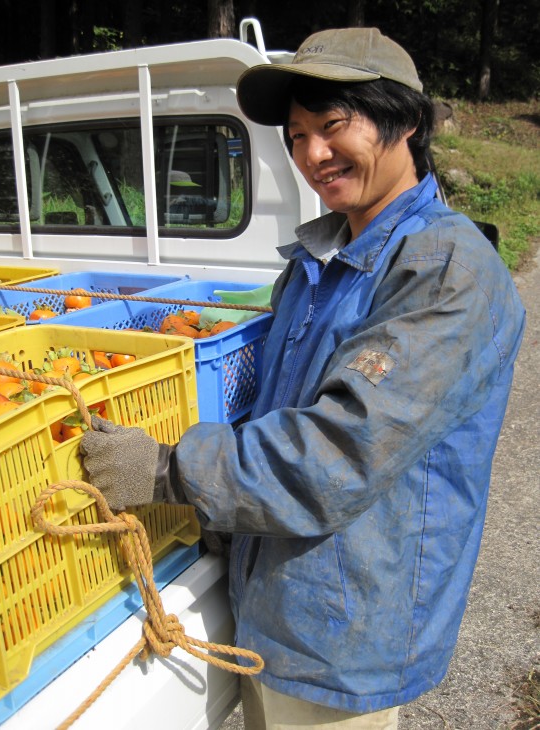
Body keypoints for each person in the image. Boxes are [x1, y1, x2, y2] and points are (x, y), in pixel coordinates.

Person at [81, 27, 526, 730]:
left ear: (405, 122)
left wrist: (169, 471)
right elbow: (274, 411)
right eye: (296, 136)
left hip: (342, 635)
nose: (312, 155)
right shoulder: (318, 260)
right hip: (277, 607)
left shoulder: (445, 270)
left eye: (333, 126)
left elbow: (337, 453)